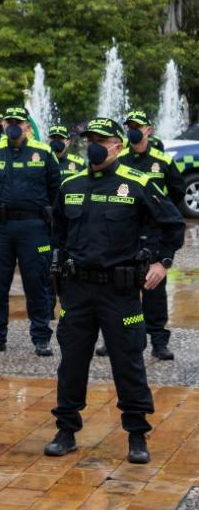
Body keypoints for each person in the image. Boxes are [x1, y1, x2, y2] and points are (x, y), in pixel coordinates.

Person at [44, 118, 184, 465]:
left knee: (128, 361)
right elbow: (58, 232)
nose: (93, 145)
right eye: (89, 139)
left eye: (101, 140)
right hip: (77, 291)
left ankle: (137, 433)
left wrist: (161, 263)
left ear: (118, 147)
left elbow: (172, 224)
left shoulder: (137, 183)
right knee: (72, 361)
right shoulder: (71, 184)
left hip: (119, 293)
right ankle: (66, 430)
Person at [0, 107, 61, 357]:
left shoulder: (44, 153)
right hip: (0, 228)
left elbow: (56, 191)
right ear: (2, 124)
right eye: (9, 121)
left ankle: (40, 337)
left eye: (18, 121)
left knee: (37, 283)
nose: (13, 125)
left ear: (27, 126)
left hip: (34, 227)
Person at [118, 110, 184, 360]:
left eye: (138, 126)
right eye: (129, 126)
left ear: (149, 130)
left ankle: (158, 341)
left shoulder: (162, 160)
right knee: (121, 287)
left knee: (154, 288)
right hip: (126, 230)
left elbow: (176, 192)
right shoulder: (120, 158)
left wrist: (161, 213)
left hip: (154, 232)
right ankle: (119, 337)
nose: (133, 130)